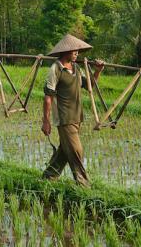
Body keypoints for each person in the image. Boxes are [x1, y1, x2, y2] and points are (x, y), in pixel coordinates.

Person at [41, 34, 104, 187]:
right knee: (76, 151)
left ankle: (48, 177)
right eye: (74, 50)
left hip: (77, 116)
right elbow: (48, 97)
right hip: (64, 118)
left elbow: (89, 85)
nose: (77, 53)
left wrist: (98, 71)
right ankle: (83, 185)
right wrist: (46, 121)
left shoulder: (76, 67)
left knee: (65, 150)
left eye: (77, 51)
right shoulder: (56, 69)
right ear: (66, 51)